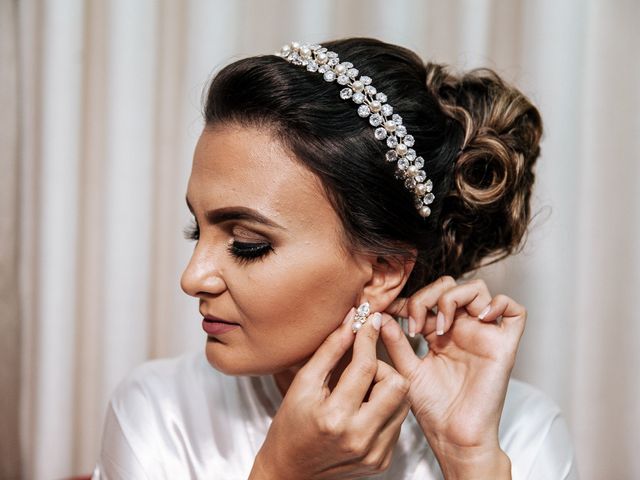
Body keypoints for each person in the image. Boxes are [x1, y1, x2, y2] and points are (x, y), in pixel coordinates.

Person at [92, 37, 578, 479]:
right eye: (197, 230)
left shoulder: (519, 432)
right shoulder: (160, 412)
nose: (192, 277)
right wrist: (279, 472)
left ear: (383, 273)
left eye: (246, 242)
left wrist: (467, 456)